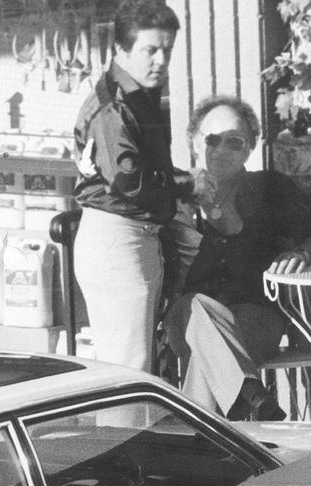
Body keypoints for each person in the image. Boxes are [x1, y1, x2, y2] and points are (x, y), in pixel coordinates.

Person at [161, 95, 311, 420]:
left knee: (210, 353)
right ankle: (249, 399)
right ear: (195, 142)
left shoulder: (270, 188)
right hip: (186, 316)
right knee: (199, 307)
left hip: (255, 315)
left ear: (250, 146)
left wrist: (301, 252)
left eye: (234, 142)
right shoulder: (174, 195)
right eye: (212, 139)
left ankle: (235, 409)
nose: (221, 149)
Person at [72, 0, 211, 373]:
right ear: (120, 49)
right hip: (117, 242)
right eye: (151, 50)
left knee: (138, 369)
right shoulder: (113, 104)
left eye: (167, 50)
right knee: (127, 373)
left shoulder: (137, 94)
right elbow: (129, 180)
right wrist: (188, 184)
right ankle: (126, 435)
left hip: (135, 239)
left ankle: (134, 433)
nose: (161, 60)